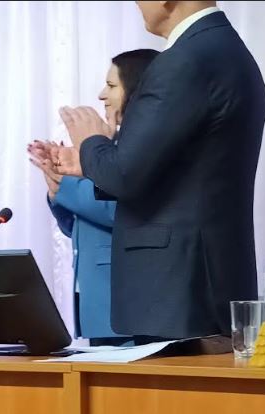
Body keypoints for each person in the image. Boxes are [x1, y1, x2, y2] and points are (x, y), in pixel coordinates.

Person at [53, 1, 265, 342]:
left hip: (177, 289)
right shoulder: (226, 51)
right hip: (204, 280)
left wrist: (92, 141)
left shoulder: (184, 59)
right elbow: (178, 168)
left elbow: (124, 175)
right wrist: (91, 163)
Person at [29, 49, 159, 346]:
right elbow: (77, 229)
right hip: (99, 306)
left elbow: (122, 213)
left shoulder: (142, 146)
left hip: (127, 307)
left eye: (112, 85)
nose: (102, 95)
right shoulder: (112, 147)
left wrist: (66, 187)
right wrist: (56, 188)